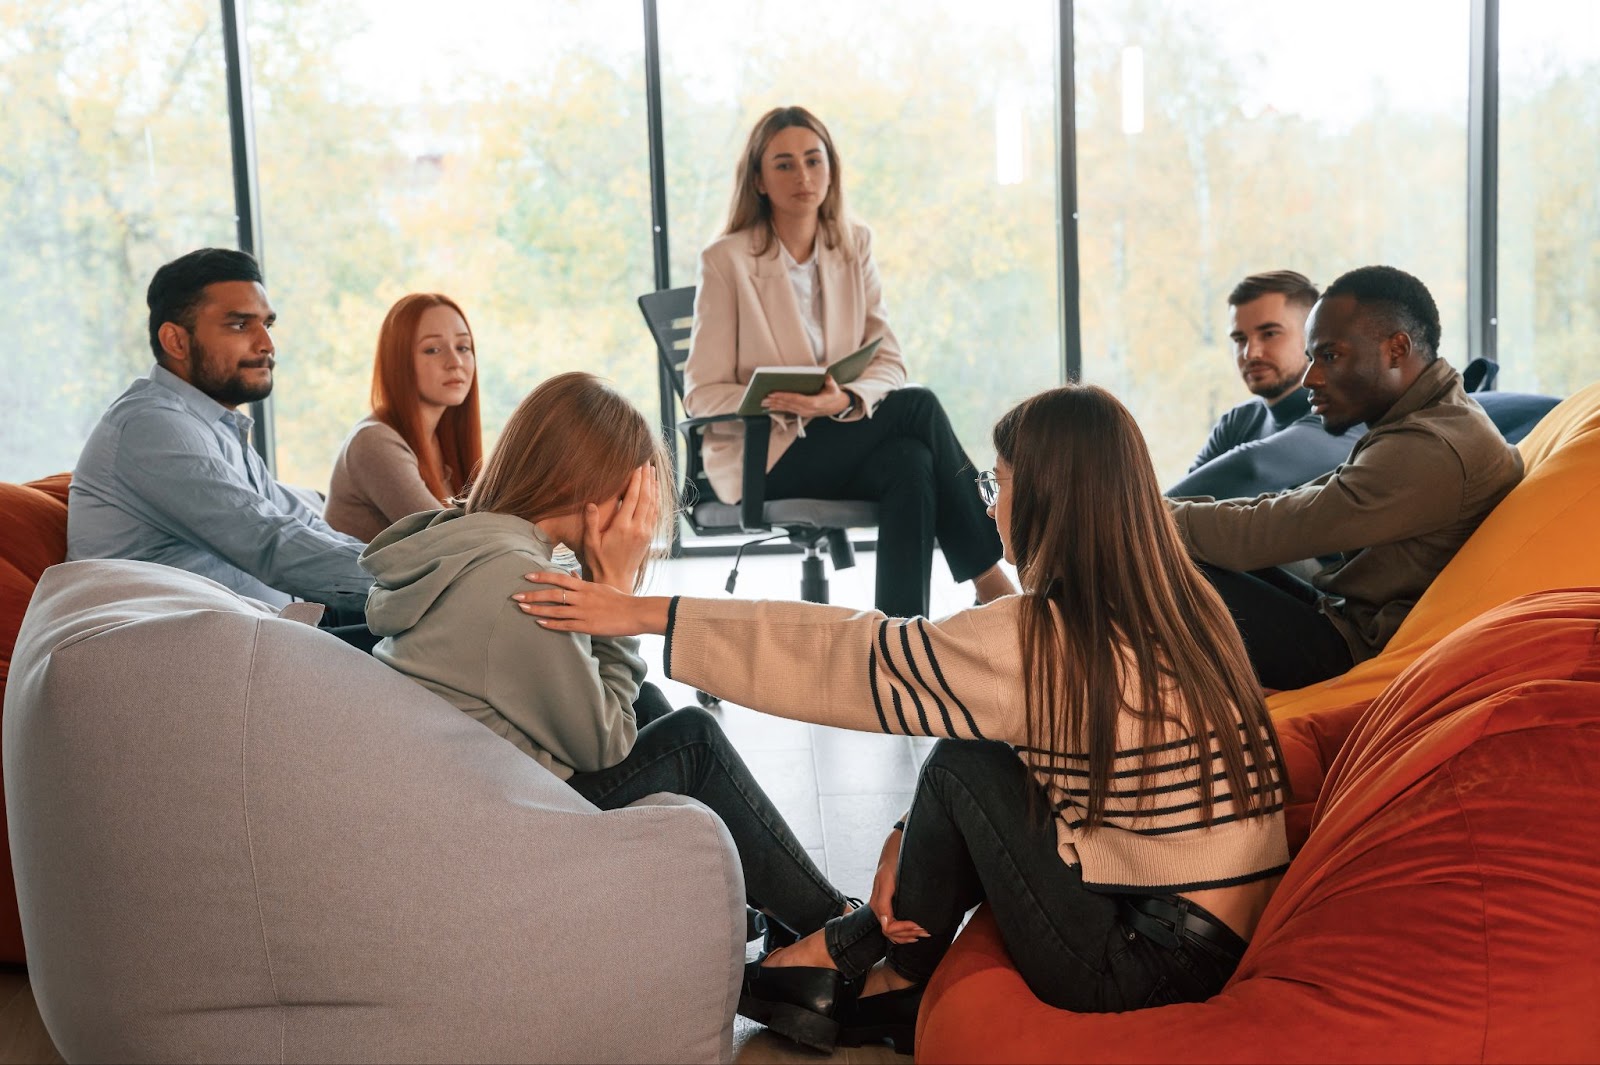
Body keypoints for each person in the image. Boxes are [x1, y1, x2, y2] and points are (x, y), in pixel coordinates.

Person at [515, 384, 1289, 1055]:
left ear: (1050, 498)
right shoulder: (1183, 607)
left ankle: (876, 977)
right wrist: (902, 827)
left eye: (1000, 481)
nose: (989, 502)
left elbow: (846, 657)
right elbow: (1029, 742)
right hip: (1211, 931)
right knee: (968, 751)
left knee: (959, 761)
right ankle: (855, 954)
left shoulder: (1040, 636)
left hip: (1142, 964)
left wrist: (641, 611)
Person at [359, 371, 858, 1037]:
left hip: (473, 798)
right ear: (598, 491)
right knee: (691, 739)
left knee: (649, 699)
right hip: (498, 836)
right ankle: (844, 938)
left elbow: (606, 707)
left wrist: (603, 604)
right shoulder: (518, 581)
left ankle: (790, 935)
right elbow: (606, 745)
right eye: (639, 492)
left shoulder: (476, 540)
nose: (644, 515)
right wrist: (616, 592)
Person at [684, 105, 1014, 618]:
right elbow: (702, 393)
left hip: (840, 432)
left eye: (814, 161)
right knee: (918, 407)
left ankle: (895, 642)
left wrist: (843, 399)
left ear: (831, 170)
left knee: (913, 461)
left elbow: (888, 360)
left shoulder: (852, 246)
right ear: (759, 180)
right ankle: (991, 577)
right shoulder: (726, 261)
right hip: (764, 456)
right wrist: (781, 400)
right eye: (785, 164)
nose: (804, 176)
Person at [1169, 265, 1524, 692]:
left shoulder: (1428, 448)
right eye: (1311, 357)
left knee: (1158, 564)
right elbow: (1287, 506)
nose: (1310, 379)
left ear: (1396, 349)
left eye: (1330, 357)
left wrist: (1132, 519)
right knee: (1180, 551)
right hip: (1339, 616)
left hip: (1352, 654)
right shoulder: (1426, 417)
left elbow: (1267, 529)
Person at [69, 247, 375, 645]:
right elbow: (270, 541)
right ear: (175, 341)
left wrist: (420, 568)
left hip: (260, 638)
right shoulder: (152, 426)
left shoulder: (218, 425)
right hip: (182, 661)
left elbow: (305, 525)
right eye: (239, 325)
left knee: (454, 638)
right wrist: (417, 585)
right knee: (454, 647)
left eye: (267, 324)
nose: (266, 343)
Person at [1171, 271, 1363, 499]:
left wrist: (1144, 515)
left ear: (1313, 336)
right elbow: (1178, 506)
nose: (1250, 352)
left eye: (1269, 333)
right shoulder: (1237, 422)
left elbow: (1253, 468)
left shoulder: (1344, 416)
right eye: (1239, 339)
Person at [326, 294, 484, 540]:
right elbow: (449, 543)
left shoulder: (444, 441)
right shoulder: (374, 441)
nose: (455, 362)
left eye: (463, 347)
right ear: (398, 361)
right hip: (358, 580)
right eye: (432, 350)